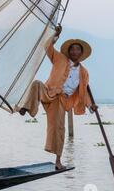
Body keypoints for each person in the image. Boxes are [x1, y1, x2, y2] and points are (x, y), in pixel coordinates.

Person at [17, 25, 98, 170]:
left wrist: (91, 106)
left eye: (77, 49)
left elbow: (83, 92)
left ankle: (58, 161)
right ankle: (25, 107)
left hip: (62, 101)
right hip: (49, 92)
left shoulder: (84, 72)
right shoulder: (60, 58)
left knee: (59, 129)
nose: (74, 51)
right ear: (68, 51)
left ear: (81, 53)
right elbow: (47, 47)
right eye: (72, 49)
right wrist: (55, 35)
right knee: (36, 84)